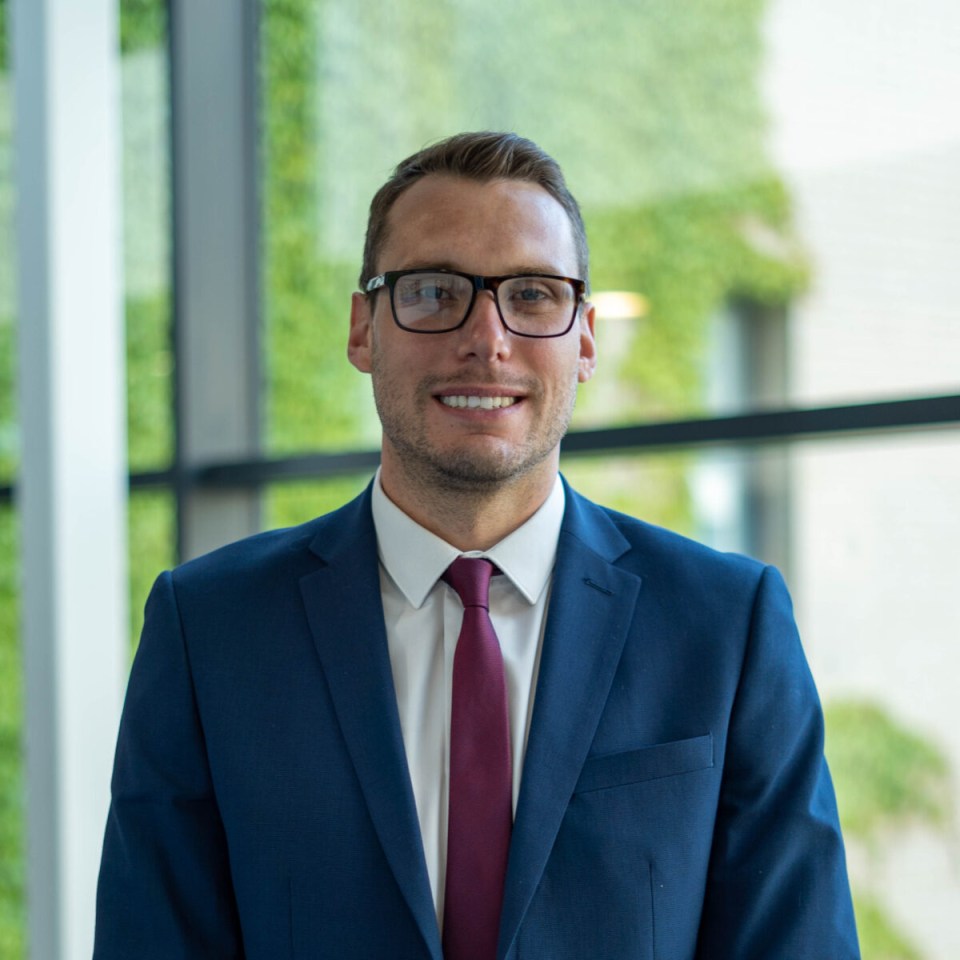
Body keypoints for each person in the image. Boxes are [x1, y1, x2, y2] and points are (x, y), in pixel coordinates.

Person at [94, 131, 860, 959]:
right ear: (363, 328)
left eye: (533, 295)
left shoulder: (726, 627)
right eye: (432, 291)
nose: (486, 338)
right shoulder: (211, 628)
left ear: (587, 337)